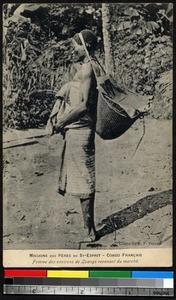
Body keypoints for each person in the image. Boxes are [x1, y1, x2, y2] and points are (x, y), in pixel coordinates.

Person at [54, 29, 100, 242]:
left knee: (84, 178)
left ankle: (90, 233)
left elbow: (82, 105)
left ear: (86, 47)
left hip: (81, 129)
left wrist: (62, 121)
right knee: (81, 177)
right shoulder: (85, 68)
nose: (73, 49)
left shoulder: (88, 69)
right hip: (77, 129)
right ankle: (88, 228)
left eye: (76, 46)